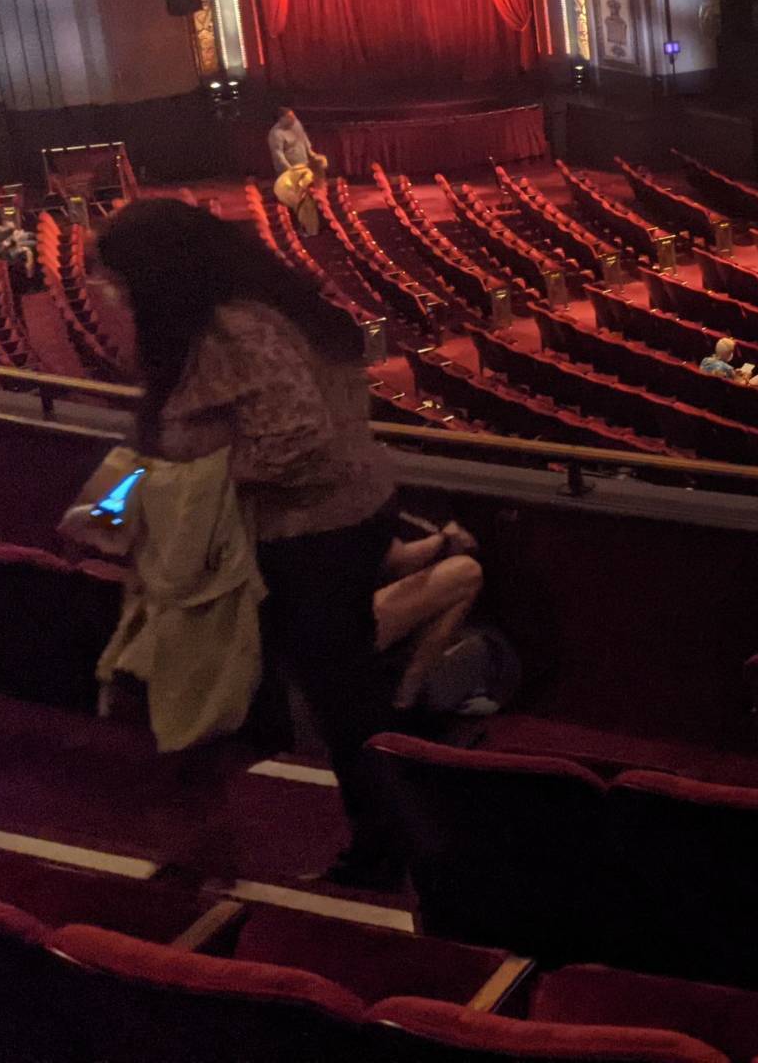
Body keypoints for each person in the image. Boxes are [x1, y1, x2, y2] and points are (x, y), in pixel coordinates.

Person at [96, 196, 405, 887]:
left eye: (118, 281)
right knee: (314, 691)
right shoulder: (219, 318)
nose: (109, 296)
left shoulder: (237, 328)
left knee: (340, 697)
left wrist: (191, 486)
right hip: (297, 531)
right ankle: (343, 834)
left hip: (317, 533)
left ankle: (387, 846)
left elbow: (296, 438)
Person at [375, 516, 483, 713]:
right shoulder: (353, 497)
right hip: (338, 621)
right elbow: (398, 560)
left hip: (313, 617)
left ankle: (406, 698)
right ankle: (405, 700)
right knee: (466, 572)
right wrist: (444, 538)